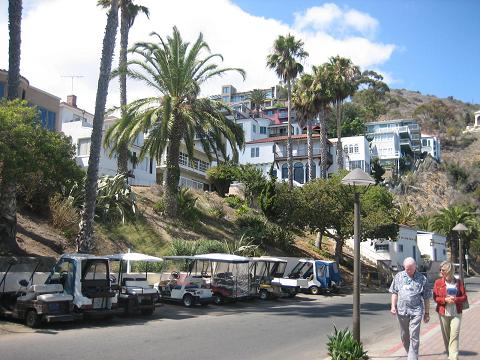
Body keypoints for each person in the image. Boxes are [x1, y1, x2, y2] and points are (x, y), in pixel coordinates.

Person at [389, 257, 432, 360]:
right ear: (404, 267)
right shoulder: (399, 276)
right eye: (407, 269)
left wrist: (426, 313)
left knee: (414, 335)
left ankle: (412, 357)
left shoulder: (422, 278)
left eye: (411, 268)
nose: (409, 271)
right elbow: (394, 292)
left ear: (415, 266)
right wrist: (393, 306)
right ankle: (411, 354)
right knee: (404, 335)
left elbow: (426, 297)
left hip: (416, 311)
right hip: (402, 311)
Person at [433, 261, 468, 360]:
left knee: (454, 335)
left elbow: (464, 297)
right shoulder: (438, 282)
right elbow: (435, 298)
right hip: (443, 311)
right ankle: (450, 354)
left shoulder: (459, 282)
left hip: (456, 312)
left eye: (443, 270)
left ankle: (453, 357)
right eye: (440, 269)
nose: (441, 271)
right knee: (447, 336)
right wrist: (445, 300)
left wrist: (456, 299)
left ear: (449, 271)